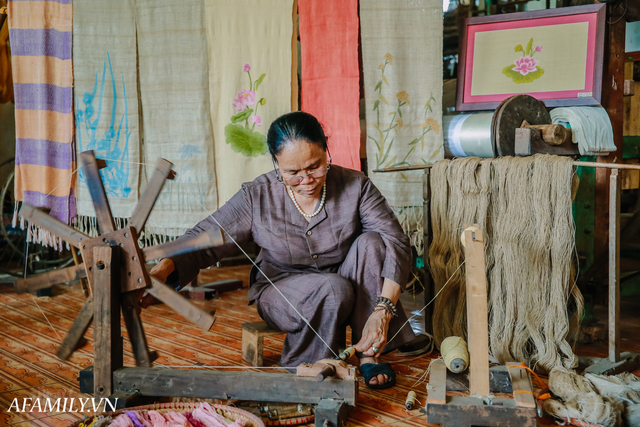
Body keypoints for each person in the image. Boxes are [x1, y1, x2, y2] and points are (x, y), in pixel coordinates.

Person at [151, 111, 415, 389]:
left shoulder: (355, 185)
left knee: (373, 242)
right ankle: (312, 363)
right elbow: (205, 237)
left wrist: (383, 310)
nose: (307, 180)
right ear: (276, 164)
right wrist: (164, 266)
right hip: (281, 289)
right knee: (332, 288)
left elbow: (395, 241)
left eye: (315, 167)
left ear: (326, 150)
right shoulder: (257, 196)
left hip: (349, 283)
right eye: (292, 173)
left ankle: (368, 353)